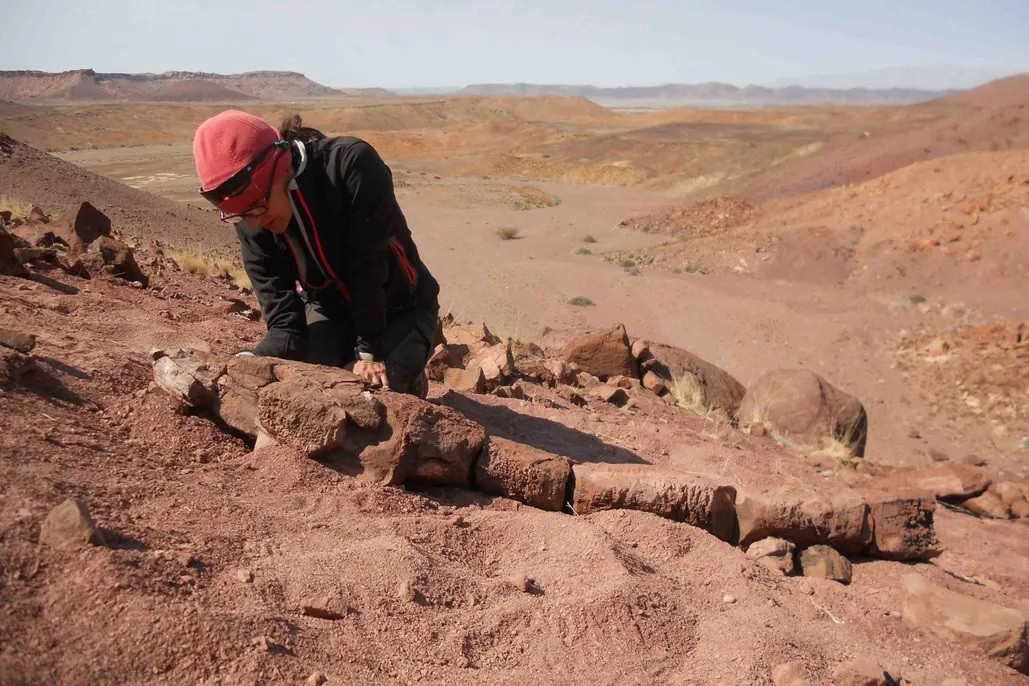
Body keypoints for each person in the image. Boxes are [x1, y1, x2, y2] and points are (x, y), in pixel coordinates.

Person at [192, 110, 440, 397]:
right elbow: (285, 327)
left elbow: (366, 265)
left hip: (399, 308)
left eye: (257, 206)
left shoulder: (351, 164)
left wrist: (368, 355)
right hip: (330, 311)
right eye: (239, 215)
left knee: (370, 396)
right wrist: (248, 362)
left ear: (282, 167)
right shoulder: (250, 217)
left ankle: (411, 374)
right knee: (301, 388)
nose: (254, 223)